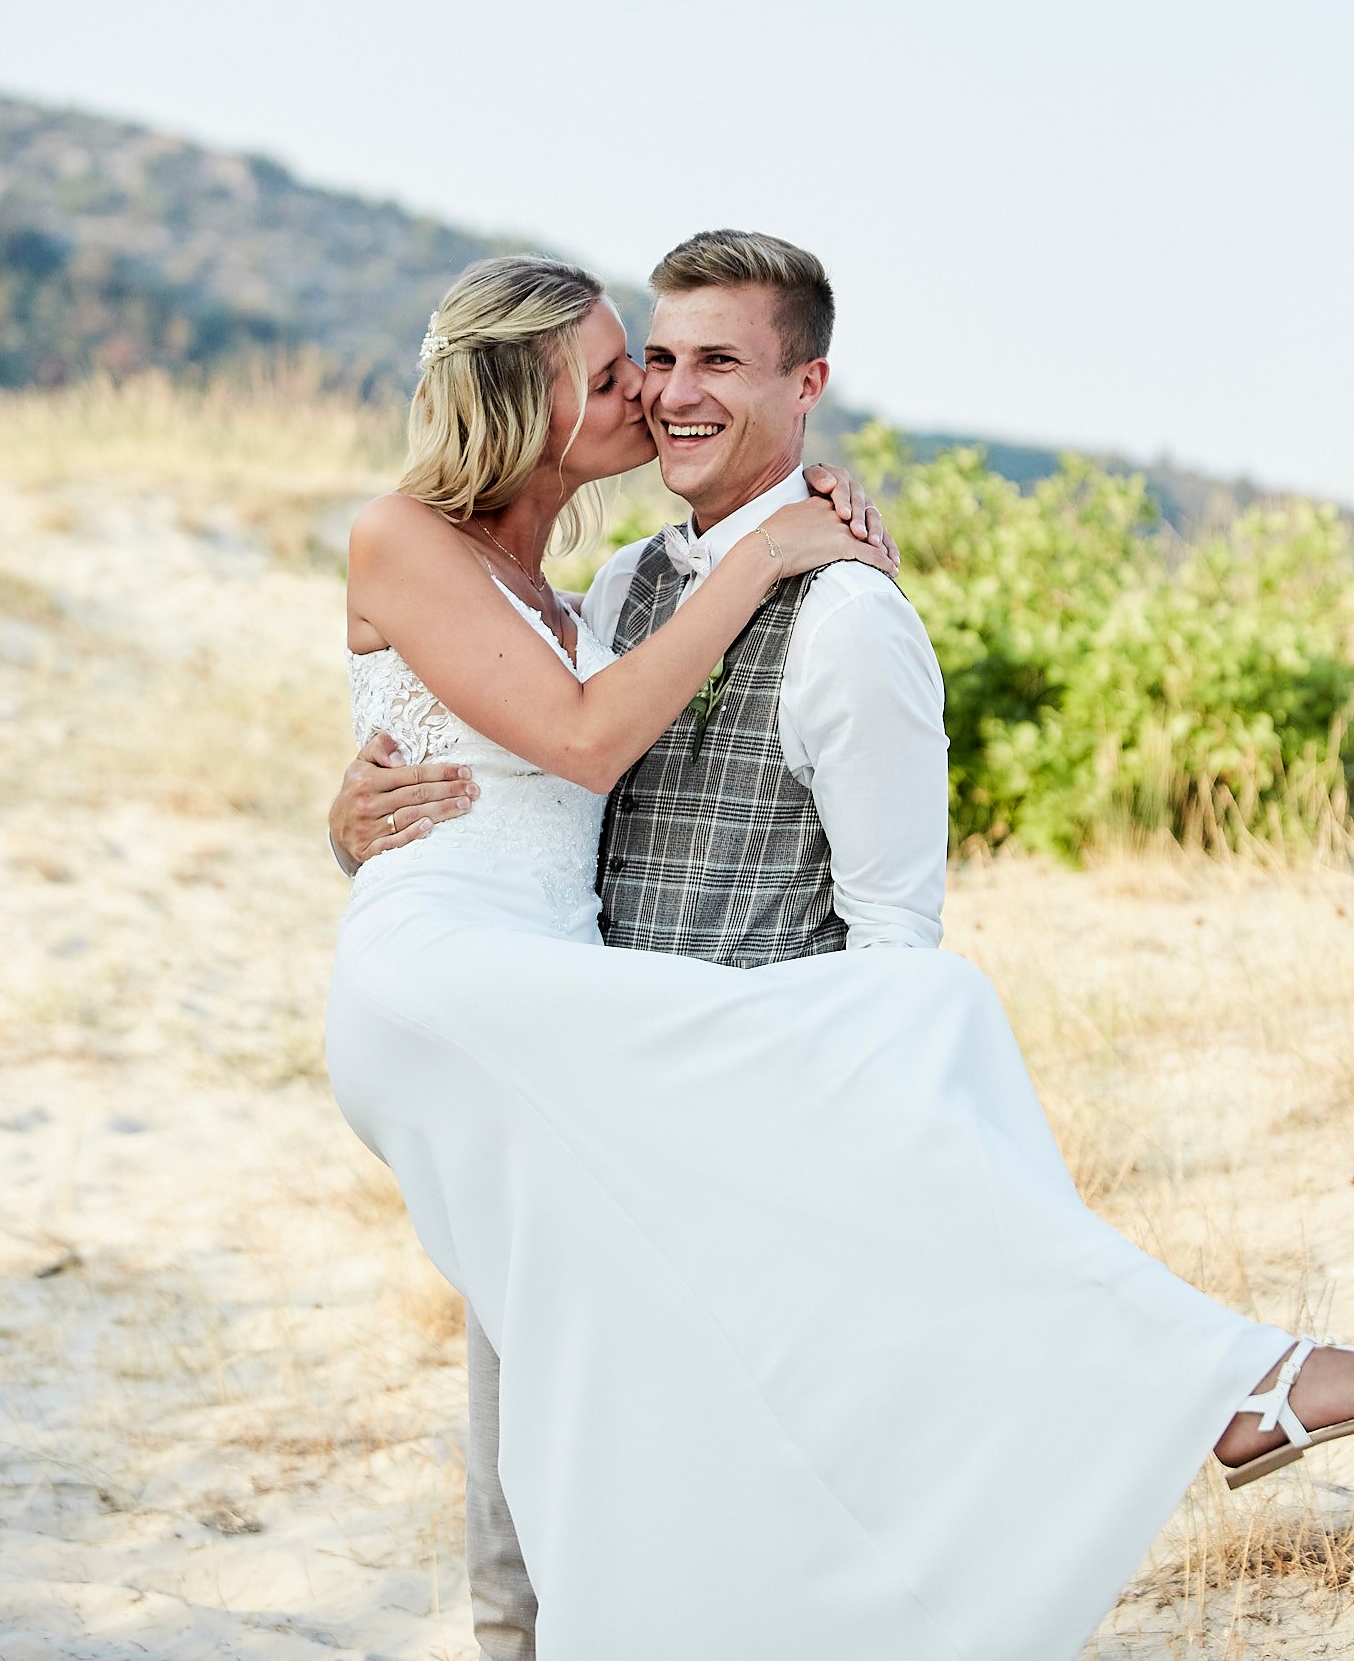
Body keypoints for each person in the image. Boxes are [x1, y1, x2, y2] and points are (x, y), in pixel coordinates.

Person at [326, 238, 1354, 1661]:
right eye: (628, 371)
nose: (657, 397)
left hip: (587, 1029)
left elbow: (512, 789)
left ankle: (1211, 1381)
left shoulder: (623, 596)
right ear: (529, 400)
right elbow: (566, 745)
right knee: (567, 1438)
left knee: (579, 1443)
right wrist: (759, 557)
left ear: (807, 384)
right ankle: (1222, 1379)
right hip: (483, 1003)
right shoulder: (440, 544)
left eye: (692, 364)